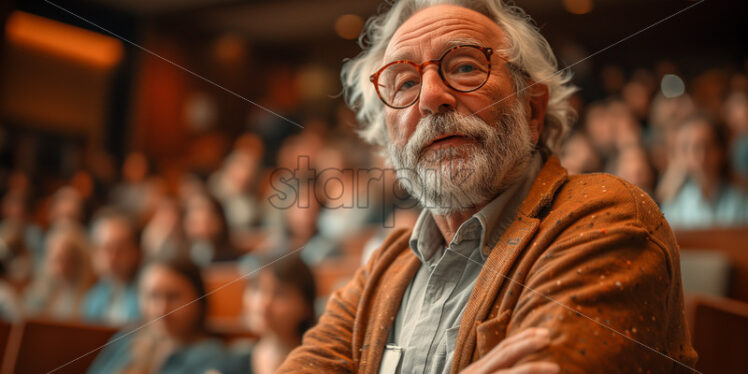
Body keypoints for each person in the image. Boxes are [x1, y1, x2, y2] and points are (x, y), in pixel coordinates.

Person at [278, 1, 696, 373]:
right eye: (405, 82)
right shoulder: (382, 270)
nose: (430, 98)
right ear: (389, 139)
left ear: (532, 109)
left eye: (464, 67)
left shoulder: (606, 215)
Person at [87, 255, 230, 374]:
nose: (161, 310)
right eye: (152, 296)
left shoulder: (210, 356)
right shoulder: (126, 340)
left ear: (198, 300)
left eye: (173, 297)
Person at [217, 254, 317, 374]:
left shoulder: (321, 363)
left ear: (306, 306)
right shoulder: (232, 363)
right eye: (256, 289)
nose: (263, 303)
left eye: (279, 293)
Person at [660, 115, 748, 228]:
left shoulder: (741, 197)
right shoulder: (676, 201)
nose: (700, 157)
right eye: (688, 148)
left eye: (706, 146)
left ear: (721, 150)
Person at [22, 222, 94, 320]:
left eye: (65, 259)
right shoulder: (40, 291)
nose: (59, 267)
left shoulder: (91, 297)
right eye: (54, 259)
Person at [83, 208, 143, 325]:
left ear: (137, 251)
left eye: (120, 249)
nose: (112, 258)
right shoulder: (93, 297)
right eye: (105, 248)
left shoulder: (149, 298)